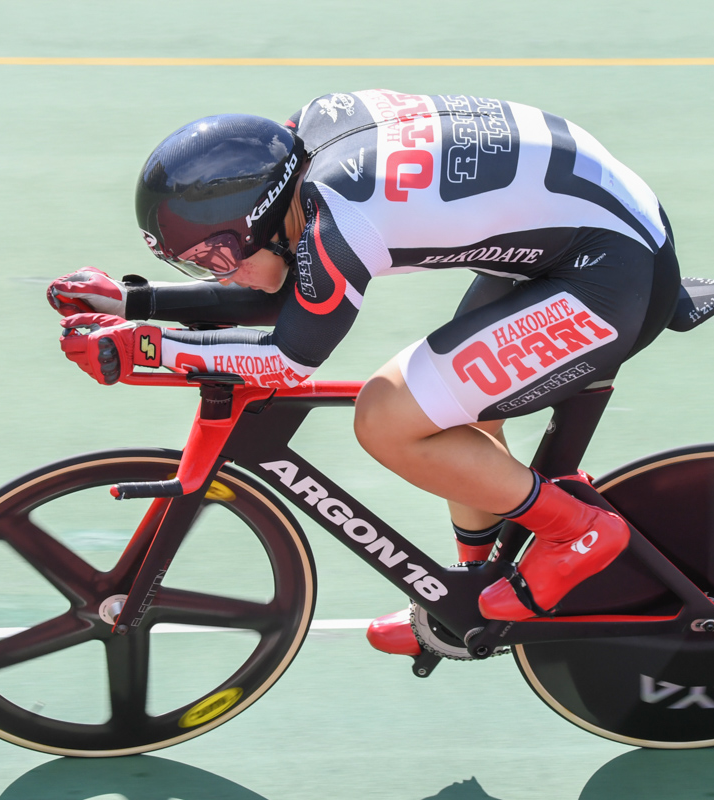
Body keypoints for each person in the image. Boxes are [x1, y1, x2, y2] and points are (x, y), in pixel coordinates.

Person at [48, 91, 681, 657]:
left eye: (219, 253)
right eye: (196, 263)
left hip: (607, 273)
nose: (218, 272)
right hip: (587, 235)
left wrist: (153, 349)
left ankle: (578, 532)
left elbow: (288, 359)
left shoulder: (342, 219)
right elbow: (281, 291)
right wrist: (133, 304)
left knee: (387, 416)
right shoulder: (302, 140)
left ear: (264, 217)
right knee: (456, 404)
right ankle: (462, 595)